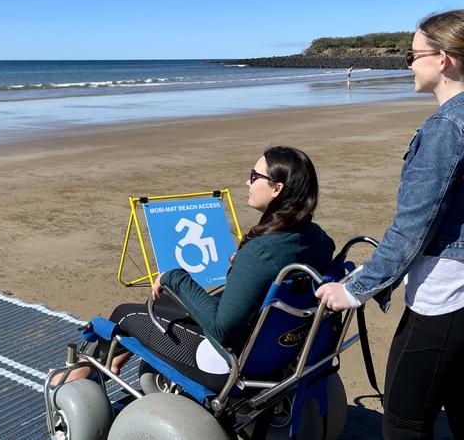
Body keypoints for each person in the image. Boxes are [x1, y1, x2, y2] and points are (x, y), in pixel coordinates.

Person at [316, 9, 464, 439]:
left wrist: (353, 290)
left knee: (402, 424)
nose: (408, 63)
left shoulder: (449, 128)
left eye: (412, 54)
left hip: (446, 299)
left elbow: (411, 230)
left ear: (443, 60)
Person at [55, 146, 335, 389]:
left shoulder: (261, 252)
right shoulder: (317, 239)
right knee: (163, 299)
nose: (247, 182)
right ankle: (113, 363)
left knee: (125, 315)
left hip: (227, 363)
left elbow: (221, 328)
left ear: (277, 189)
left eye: (254, 176)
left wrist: (173, 276)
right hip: (277, 348)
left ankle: (78, 375)